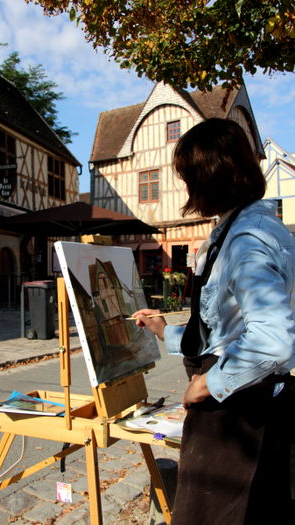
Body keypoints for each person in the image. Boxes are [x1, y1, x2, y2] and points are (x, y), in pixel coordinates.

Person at [133, 118, 295, 525]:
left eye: (189, 180)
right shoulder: (246, 228)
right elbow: (225, 329)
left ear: (211, 178)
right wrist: (164, 330)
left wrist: (208, 383)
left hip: (238, 412)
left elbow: (273, 339)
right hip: (245, 404)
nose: (187, 191)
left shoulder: (247, 240)